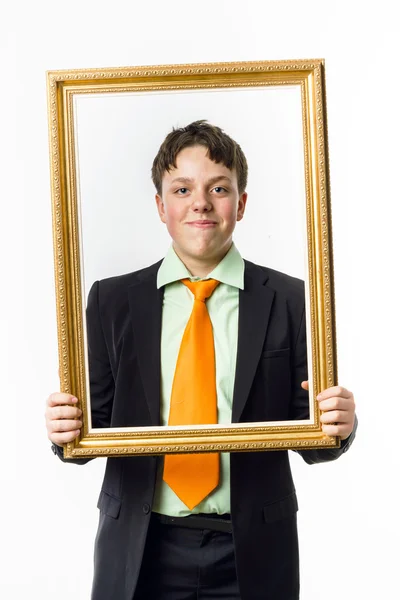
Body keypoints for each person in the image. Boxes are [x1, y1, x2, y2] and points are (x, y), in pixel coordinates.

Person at [45, 120, 357, 600]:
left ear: (242, 203)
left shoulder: (293, 300)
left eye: (219, 188)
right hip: (142, 546)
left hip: (252, 549)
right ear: (161, 207)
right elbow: (96, 427)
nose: (201, 203)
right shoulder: (112, 301)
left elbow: (313, 438)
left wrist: (339, 425)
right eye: (182, 188)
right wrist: (66, 431)